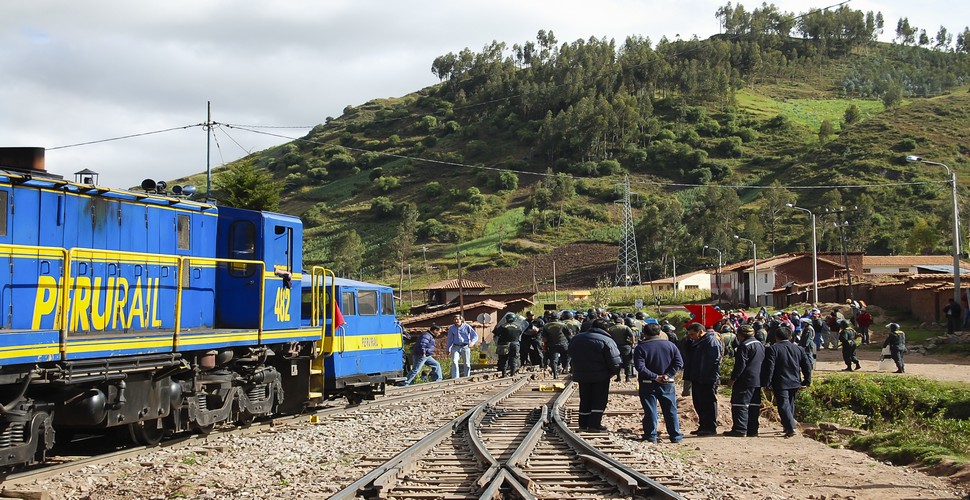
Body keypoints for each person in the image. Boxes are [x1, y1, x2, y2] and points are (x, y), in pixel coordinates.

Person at [567, 317, 621, 432]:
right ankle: (594, 424)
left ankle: (583, 423)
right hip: (601, 375)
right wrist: (614, 372)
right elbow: (615, 360)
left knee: (585, 398)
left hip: (582, 374)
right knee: (599, 399)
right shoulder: (607, 340)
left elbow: (570, 353)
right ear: (606, 329)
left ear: (591, 327)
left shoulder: (577, 338)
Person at [633, 322, 684, 443]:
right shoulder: (670, 345)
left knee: (650, 409)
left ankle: (651, 435)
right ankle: (675, 436)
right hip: (667, 383)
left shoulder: (641, 348)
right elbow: (679, 363)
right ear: (660, 333)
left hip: (647, 383)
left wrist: (654, 376)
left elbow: (640, 367)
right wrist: (668, 374)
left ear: (644, 333)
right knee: (670, 409)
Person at [762, 325, 813, 438]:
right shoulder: (799, 349)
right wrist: (807, 381)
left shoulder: (773, 349)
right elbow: (807, 366)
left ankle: (791, 427)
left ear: (776, 337)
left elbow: (770, 367)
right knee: (790, 404)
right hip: (794, 381)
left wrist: (767, 382)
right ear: (790, 337)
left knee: (783, 405)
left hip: (780, 381)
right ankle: (787, 426)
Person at [724, 324, 765, 437]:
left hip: (745, 380)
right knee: (753, 405)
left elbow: (740, 364)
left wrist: (733, 378)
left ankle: (740, 429)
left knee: (739, 404)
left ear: (740, 335)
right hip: (757, 380)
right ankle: (752, 430)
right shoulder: (760, 344)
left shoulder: (744, 345)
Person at [683, 322, 722, 436]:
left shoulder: (711, 341)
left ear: (700, 331)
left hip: (707, 378)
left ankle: (710, 426)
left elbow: (714, 360)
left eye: (692, 334)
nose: (691, 337)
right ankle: (703, 425)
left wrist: (708, 375)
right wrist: (688, 341)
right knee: (699, 403)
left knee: (708, 403)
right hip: (697, 377)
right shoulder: (696, 342)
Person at [446, 315, 479, 379]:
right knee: (454, 361)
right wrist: (448, 349)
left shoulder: (466, 326)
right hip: (455, 346)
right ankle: (455, 378)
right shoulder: (451, 328)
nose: (456, 321)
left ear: (461, 320)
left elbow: (475, 336)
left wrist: (472, 343)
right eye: (454, 320)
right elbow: (450, 339)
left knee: (466, 363)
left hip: (465, 347)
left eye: (457, 319)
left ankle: (466, 377)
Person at [493, 313, 523, 377]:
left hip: (504, 344)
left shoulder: (502, 326)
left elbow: (496, 332)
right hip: (515, 344)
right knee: (514, 358)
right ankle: (513, 373)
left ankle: (504, 374)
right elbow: (520, 333)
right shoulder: (518, 326)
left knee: (503, 359)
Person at [543, 312, 572, 378]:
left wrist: (544, 346)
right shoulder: (563, 325)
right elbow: (569, 335)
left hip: (552, 344)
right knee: (565, 357)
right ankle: (565, 369)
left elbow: (544, 338)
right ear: (559, 317)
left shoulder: (546, 326)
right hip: (563, 343)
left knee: (554, 359)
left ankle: (555, 373)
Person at [608, 317, 637, 382]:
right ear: (622, 322)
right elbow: (632, 336)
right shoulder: (626, 327)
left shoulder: (611, 328)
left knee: (617, 362)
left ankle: (618, 376)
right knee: (627, 362)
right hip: (626, 346)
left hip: (615, 346)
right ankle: (627, 377)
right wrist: (633, 344)